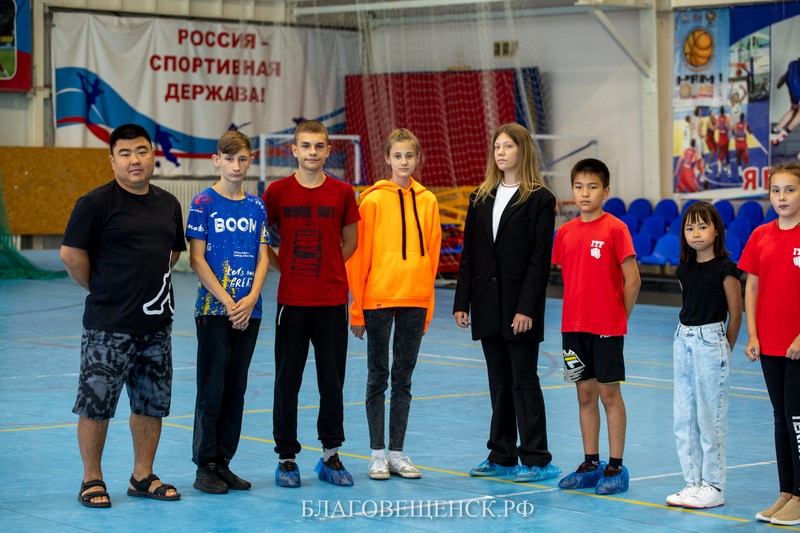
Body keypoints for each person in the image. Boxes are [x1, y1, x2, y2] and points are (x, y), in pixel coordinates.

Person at [60, 123, 185, 507]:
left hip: (156, 327)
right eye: (126, 153)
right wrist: (102, 290)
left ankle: (142, 476)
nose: (135, 160)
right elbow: (71, 255)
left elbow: (172, 254)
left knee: (150, 405)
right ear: (112, 160)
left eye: (142, 151)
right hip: (108, 328)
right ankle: (91, 479)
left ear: (153, 156)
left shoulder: (168, 204)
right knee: (95, 406)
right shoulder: (95, 204)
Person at [453, 122, 560, 483]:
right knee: (498, 382)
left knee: (523, 381)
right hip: (487, 305)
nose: (500, 152)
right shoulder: (480, 197)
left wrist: (527, 308)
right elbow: (470, 254)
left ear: (522, 151)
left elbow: (539, 261)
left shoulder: (540, 199)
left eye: (508, 146)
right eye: (497, 146)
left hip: (520, 308)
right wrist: (462, 301)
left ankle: (537, 457)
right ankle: (502, 455)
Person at [261, 120, 360, 487]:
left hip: (332, 301)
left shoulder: (342, 192)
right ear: (294, 150)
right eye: (305, 146)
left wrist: (329, 267)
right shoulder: (277, 192)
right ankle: (286, 458)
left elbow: (351, 242)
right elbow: (261, 238)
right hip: (292, 301)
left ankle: (330, 454)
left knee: (332, 381)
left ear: (328, 150)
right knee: (287, 381)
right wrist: (282, 265)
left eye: (319, 146)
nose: (312, 152)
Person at [346, 128, 442, 480]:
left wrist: (428, 307)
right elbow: (357, 258)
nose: (404, 162)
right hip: (378, 300)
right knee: (378, 378)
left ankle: (397, 453)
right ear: (387, 158)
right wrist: (357, 309)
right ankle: (376, 454)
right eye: (398, 155)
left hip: (415, 299)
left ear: (418, 159)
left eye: (409, 156)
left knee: (404, 379)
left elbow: (432, 258)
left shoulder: (428, 201)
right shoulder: (371, 201)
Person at [186, 131, 270, 494]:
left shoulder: (257, 206)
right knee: (212, 389)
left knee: (236, 390)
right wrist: (227, 301)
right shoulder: (203, 202)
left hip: (249, 311)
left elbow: (264, 257)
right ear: (216, 160)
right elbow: (197, 259)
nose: (236, 166)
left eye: (243, 159)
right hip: (214, 310)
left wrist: (250, 299)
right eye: (229, 158)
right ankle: (205, 465)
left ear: (250, 161)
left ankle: (223, 462)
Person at [552, 158, 641, 495]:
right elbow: (570, 278)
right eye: (579, 187)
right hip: (573, 329)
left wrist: (619, 317)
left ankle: (615, 466)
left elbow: (633, 280)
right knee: (584, 394)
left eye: (592, 187)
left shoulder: (616, 229)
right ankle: (591, 463)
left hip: (607, 329)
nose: (585, 193)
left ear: (606, 191)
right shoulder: (564, 233)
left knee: (609, 394)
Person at [666, 201, 741, 509]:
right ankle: (692, 482)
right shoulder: (683, 269)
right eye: (689, 228)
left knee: (710, 419)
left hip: (711, 341)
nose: (695, 233)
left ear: (716, 231)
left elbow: (735, 315)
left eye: (702, 226)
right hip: (683, 339)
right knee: (684, 417)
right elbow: (690, 303)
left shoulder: (726, 268)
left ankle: (713, 485)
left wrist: (722, 350)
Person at [739, 162, 800, 525]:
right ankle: (786, 492)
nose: (782, 197)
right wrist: (752, 334)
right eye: (776, 190)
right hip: (770, 344)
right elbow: (752, 286)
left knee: (797, 417)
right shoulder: (761, 235)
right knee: (780, 418)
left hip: (798, 345)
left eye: (790, 190)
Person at [770, 58, 800, 146]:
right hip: (796, 87)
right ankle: (785, 132)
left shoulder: (793, 63)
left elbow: (784, 76)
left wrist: (779, 84)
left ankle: (776, 129)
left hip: (792, 85)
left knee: (794, 109)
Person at [734, 113, 752, 178]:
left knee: (738, 158)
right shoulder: (746, 124)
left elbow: (733, 133)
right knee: (746, 160)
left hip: (737, 144)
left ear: (739, 117)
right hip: (743, 144)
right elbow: (750, 132)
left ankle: (739, 172)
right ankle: (748, 173)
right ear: (744, 117)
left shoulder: (736, 124)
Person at [716, 107, 732, 178]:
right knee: (727, 155)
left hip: (720, 139)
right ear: (724, 111)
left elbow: (716, 127)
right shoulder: (727, 118)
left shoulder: (718, 118)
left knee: (719, 156)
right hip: (726, 139)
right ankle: (729, 171)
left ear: (720, 112)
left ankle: (719, 170)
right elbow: (731, 128)